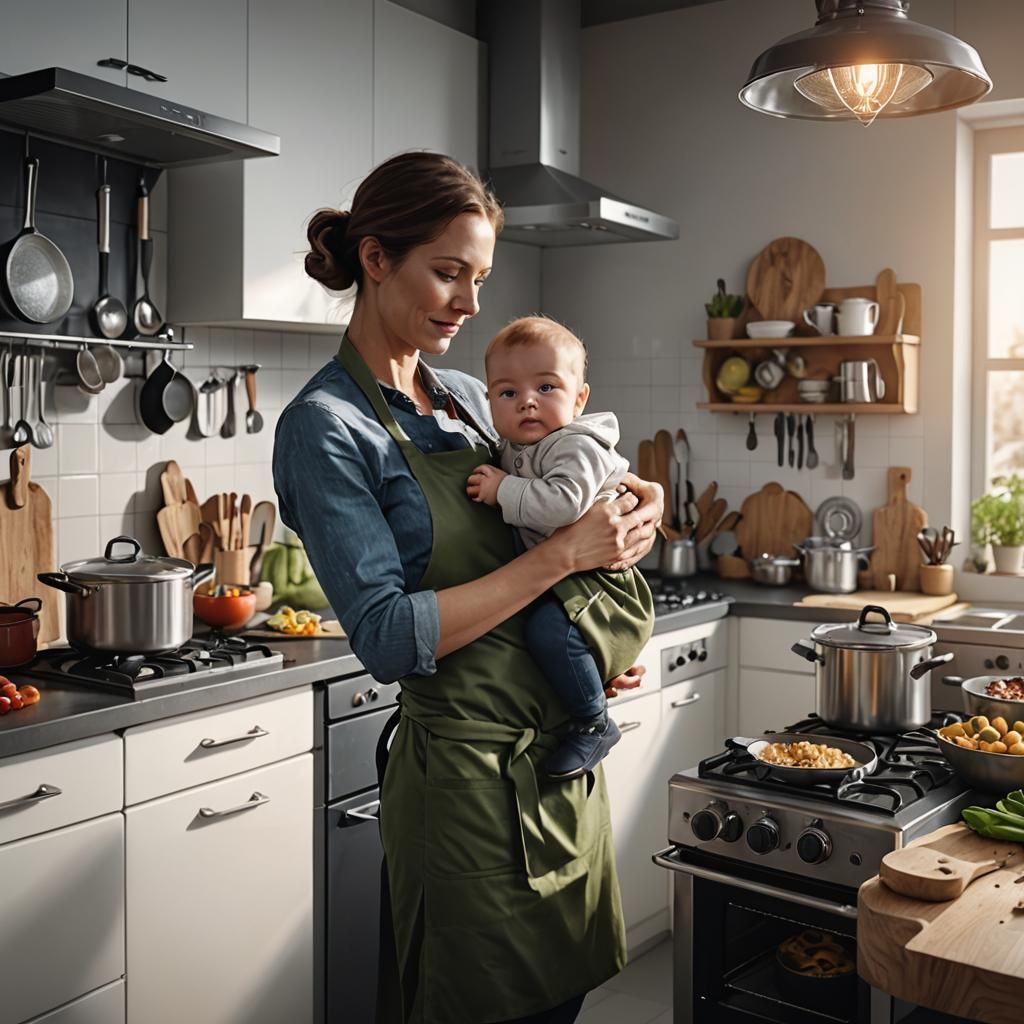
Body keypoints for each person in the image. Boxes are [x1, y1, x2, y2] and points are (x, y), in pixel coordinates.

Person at [273, 151, 662, 1024]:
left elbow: (567, 493)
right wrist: (562, 562)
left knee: (562, 1006)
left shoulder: (464, 400)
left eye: (479, 277)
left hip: (560, 764)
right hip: (465, 793)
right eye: (449, 273)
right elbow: (384, 634)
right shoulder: (326, 428)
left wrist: (642, 508)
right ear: (376, 260)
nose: (471, 302)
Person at [467, 316, 654, 781]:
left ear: (580, 397)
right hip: (565, 573)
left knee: (552, 634)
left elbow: (565, 505)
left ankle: (594, 724)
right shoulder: (516, 444)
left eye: (546, 387)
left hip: (599, 578)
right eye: (507, 393)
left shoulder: (575, 444)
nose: (527, 401)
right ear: (489, 400)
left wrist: (502, 489)